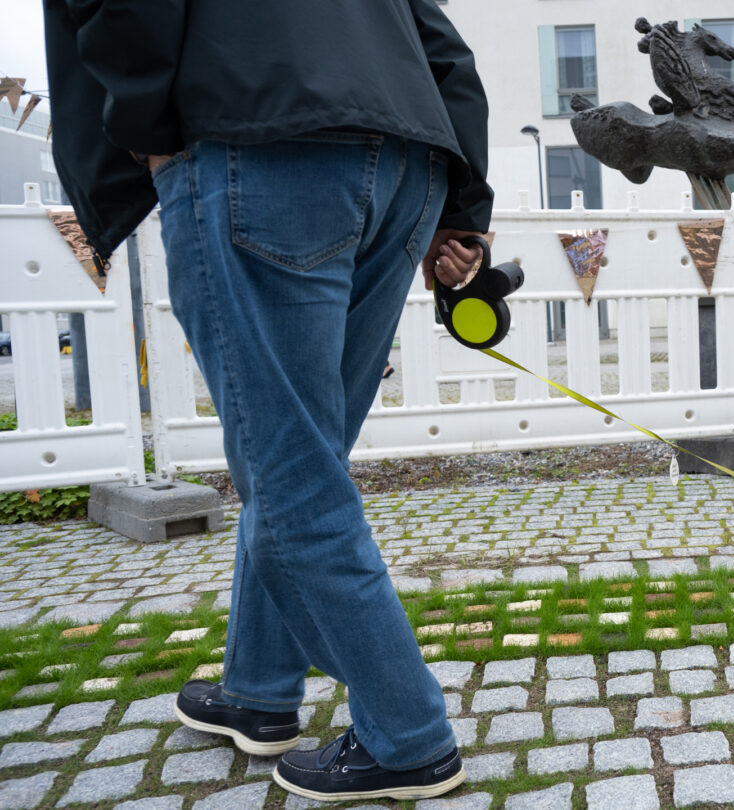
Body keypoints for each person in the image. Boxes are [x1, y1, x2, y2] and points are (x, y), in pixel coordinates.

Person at [44, 0, 492, 801]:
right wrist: (461, 212)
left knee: (289, 472)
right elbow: (443, 46)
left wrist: (148, 131)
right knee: (300, 453)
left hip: (257, 141)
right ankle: (259, 689)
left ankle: (409, 734)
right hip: (405, 161)